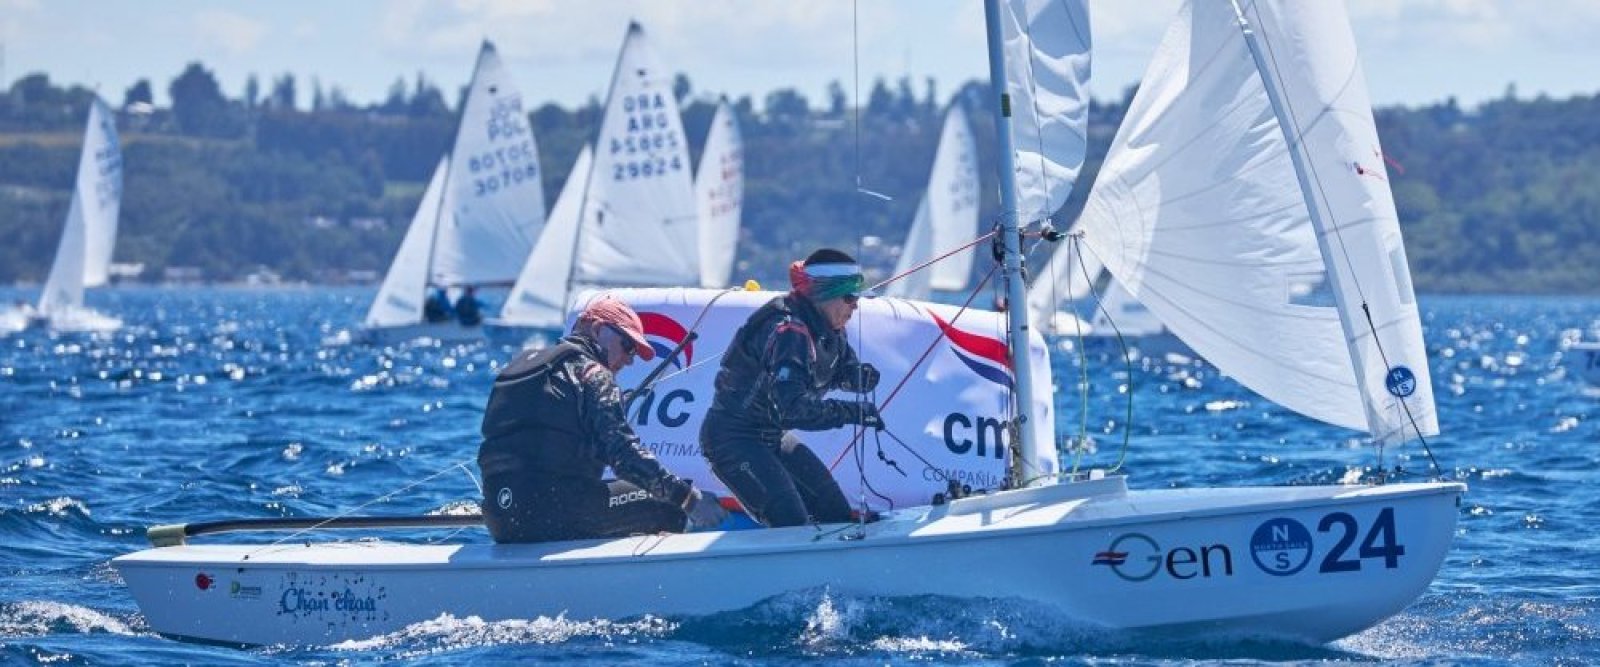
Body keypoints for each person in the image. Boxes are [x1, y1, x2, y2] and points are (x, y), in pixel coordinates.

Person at [478, 296, 727, 543]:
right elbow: (625, 456)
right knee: (668, 503)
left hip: (499, 518)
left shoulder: (518, 367)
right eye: (628, 346)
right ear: (598, 330)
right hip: (552, 514)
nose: (629, 360)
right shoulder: (591, 373)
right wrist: (688, 499)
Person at [699, 248, 884, 528]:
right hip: (734, 438)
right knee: (790, 520)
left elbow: (839, 372)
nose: (855, 307)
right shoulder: (788, 330)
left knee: (834, 512)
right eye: (850, 298)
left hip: (772, 435)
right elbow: (793, 410)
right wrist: (851, 412)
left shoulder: (830, 328)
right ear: (825, 294)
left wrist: (857, 378)